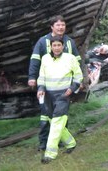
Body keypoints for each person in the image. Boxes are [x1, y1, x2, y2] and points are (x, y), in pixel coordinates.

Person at [28, 15, 82, 151]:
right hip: (47, 85)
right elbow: (35, 59)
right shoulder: (42, 41)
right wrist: (32, 77)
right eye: (57, 25)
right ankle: (44, 143)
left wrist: (79, 82)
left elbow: (78, 60)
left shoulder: (69, 42)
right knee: (46, 116)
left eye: (63, 25)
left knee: (62, 116)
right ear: (52, 27)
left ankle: (62, 141)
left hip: (64, 86)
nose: (60, 27)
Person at [37, 35, 82, 164]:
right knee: (53, 121)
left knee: (57, 122)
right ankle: (71, 143)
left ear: (63, 46)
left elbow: (78, 75)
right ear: (50, 47)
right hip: (48, 95)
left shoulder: (70, 58)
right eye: (54, 45)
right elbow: (42, 76)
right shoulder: (45, 59)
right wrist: (40, 88)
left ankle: (50, 153)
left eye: (59, 45)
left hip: (63, 95)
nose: (56, 48)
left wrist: (73, 87)